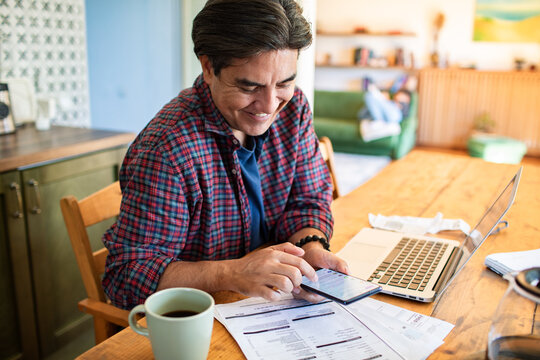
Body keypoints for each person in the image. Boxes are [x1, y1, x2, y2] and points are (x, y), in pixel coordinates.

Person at [102, 0, 349, 310]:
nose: (269, 105)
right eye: (250, 87)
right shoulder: (168, 150)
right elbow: (126, 276)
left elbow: (307, 199)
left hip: (268, 305)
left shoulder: (293, 109)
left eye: (284, 82)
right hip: (197, 320)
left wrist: (309, 247)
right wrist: (232, 273)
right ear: (208, 67)